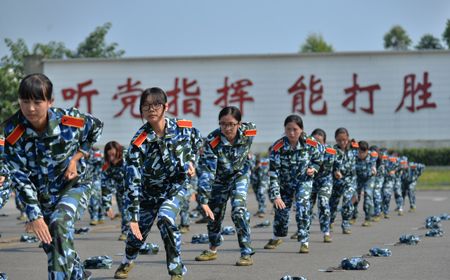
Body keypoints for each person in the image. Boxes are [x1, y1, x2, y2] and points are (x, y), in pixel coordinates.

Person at [3, 73, 103, 280]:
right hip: (43, 194)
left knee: (58, 224)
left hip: (75, 185)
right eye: (25, 102)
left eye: (37, 102)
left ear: (50, 102)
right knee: (52, 242)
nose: (30, 108)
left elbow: (96, 128)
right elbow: (19, 176)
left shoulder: (69, 121)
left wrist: (77, 158)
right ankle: (78, 274)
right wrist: (35, 215)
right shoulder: (13, 130)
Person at [114, 87, 202, 280]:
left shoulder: (184, 128)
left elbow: (197, 143)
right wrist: (133, 216)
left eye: (156, 104)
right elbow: (132, 181)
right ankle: (127, 261)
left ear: (166, 107)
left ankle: (176, 270)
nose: (151, 109)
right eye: (146, 106)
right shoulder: (138, 143)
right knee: (137, 236)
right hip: (148, 193)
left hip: (175, 188)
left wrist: (191, 162)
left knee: (166, 219)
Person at [195, 106, 256, 266]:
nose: (227, 128)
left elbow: (251, 134)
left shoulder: (249, 131)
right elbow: (207, 171)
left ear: (239, 124)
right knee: (214, 215)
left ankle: (246, 252)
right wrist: (203, 198)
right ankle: (212, 249)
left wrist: (249, 157)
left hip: (239, 176)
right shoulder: (212, 141)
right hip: (219, 180)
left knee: (238, 210)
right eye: (223, 124)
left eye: (231, 124)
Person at [263, 115, 321, 254]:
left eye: (295, 129)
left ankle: (304, 240)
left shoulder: (310, 142)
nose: (292, 133)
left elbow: (318, 159)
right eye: (288, 129)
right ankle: (277, 237)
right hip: (285, 184)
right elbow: (273, 173)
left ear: (301, 129)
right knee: (281, 211)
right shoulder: (278, 147)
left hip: (304, 181)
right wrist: (276, 196)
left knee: (302, 206)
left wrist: (313, 168)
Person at [308, 128, 339, 243]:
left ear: (324, 142)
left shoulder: (331, 151)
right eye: (314, 141)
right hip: (310, 181)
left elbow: (337, 163)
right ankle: (303, 230)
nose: (317, 144)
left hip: (325, 181)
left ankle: (326, 232)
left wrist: (337, 171)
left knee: (323, 203)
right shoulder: (306, 150)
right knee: (306, 207)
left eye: (319, 141)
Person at [329, 127, 358, 234]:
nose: (342, 142)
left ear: (348, 138)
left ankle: (345, 223)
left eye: (344, 140)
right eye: (339, 140)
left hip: (350, 181)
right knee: (333, 204)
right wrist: (335, 171)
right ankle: (330, 221)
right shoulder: (332, 151)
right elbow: (328, 165)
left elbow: (366, 154)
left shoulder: (354, 149)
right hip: (336, 181)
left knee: (347, 202)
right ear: (335, 139)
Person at [101, 141, 128, 240]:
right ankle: (127, 232)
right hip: (120, 191)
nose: (111, 158)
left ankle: (127, 233)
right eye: (109, 156)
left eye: (113, 154)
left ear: (119, 152)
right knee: (124, 212)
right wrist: (107, 206)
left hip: (136, 190)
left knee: (129, 212)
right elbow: (105, 186)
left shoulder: (130, 158)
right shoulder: (107, 166)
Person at [352, 141, 376, 226]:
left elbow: (377, 163)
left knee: (368, 195)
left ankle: (368, 218)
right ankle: (353, 216)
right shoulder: (353, 155)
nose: (361, 154)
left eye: (363, 152)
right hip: (357, 178)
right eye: (359, 152)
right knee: (355, 196)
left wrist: (374, 169)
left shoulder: (372, 156)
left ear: (367, 151)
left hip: (369, 179)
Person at [250, 154, 270, 218]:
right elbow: (251, 169)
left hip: (263, 181)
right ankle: (260, 209)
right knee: (258, 196)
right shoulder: (250, 161)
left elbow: (267, 170)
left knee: (261, 193)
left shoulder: (265, 161)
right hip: (255, 181)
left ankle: (262, 210)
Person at [382, 153, 400, 219]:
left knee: (387, 196)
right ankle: (379, 211)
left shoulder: (392, 161)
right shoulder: (377, 159)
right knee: (379, 197)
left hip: (389, 180)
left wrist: (394, 170)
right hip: (379, 180)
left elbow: (399, 166)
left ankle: (385, 212)